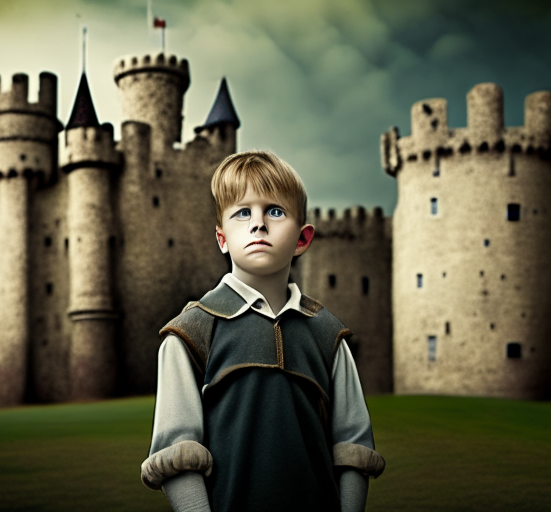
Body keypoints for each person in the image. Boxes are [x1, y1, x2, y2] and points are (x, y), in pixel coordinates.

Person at [141, 150, 384, 512]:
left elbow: (353, 449)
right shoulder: (191, 332)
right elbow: (176, 455)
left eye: (275, 211)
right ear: (222, 239)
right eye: (243, 212)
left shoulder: (329, 335)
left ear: (302, 239)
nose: (258, 224)